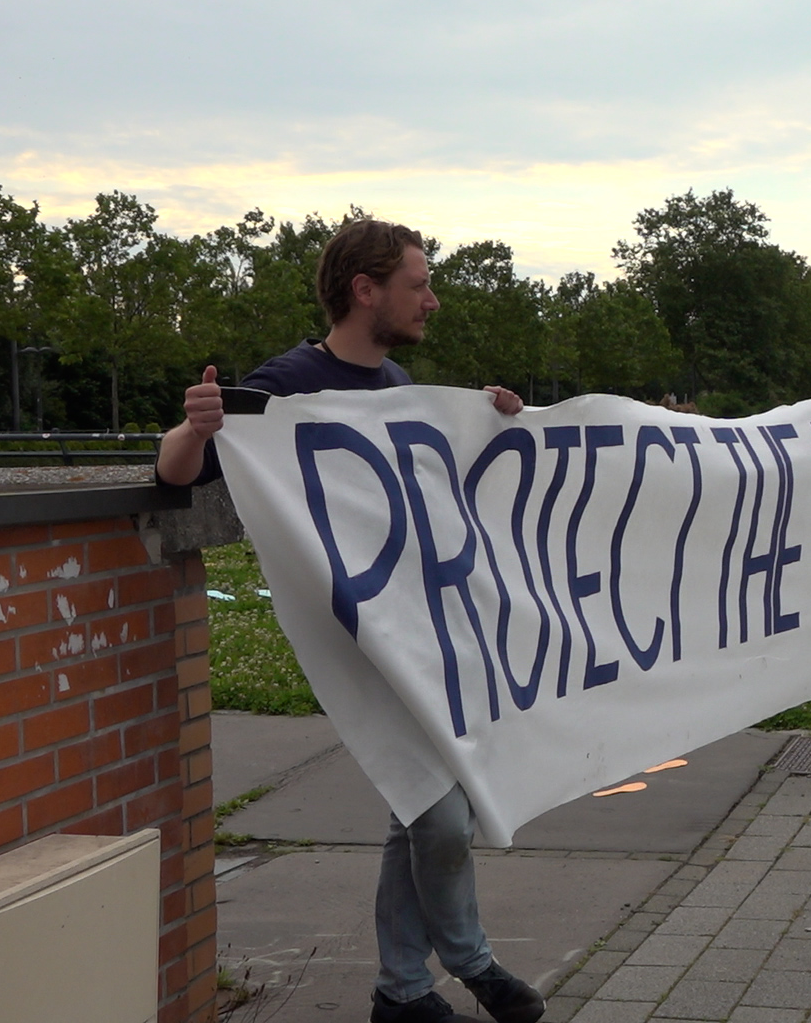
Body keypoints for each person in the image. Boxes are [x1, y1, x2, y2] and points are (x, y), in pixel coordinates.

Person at [157, 220, 544, 1023]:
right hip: (361, 639)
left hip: (425, 631)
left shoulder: (398, 380)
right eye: (419, 283)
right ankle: (465, 963)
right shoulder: (292, 380)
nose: (432, 300)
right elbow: (173, 472)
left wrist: (497, 421)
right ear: (366, 290)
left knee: (429, 806)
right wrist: (196, 425)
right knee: (438, 810)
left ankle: (404, 990)